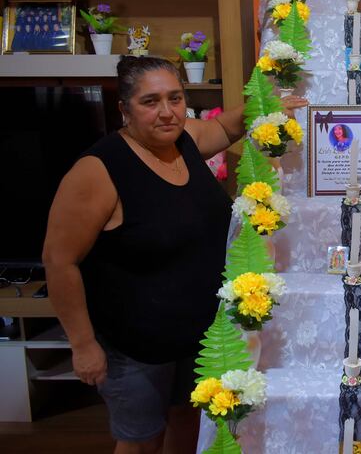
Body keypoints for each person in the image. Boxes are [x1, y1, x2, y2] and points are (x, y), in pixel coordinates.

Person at [42, 55, 307, 454]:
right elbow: (59, 262)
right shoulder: (99, 169)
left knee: (187, 428)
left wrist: (265, 107)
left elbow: (221, 125)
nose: (167, 112)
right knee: (140, 441)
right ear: (124, 110)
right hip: (136, 347)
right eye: (150, 102)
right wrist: (82, 346)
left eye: (176, 98)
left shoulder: (184, 141)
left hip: (197, 338)